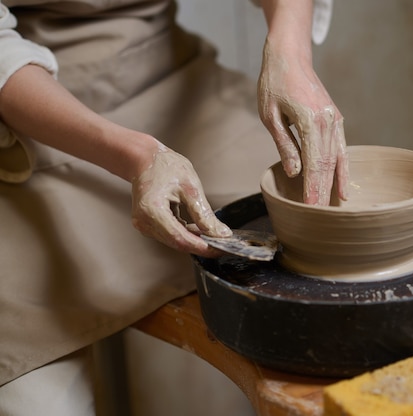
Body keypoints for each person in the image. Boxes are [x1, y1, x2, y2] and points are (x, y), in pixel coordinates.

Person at [0, 0, 348, 413]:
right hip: (31, 117)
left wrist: (289, 52)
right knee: (36, 405)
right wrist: (136, 156)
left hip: (168, 78)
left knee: (325, 210)